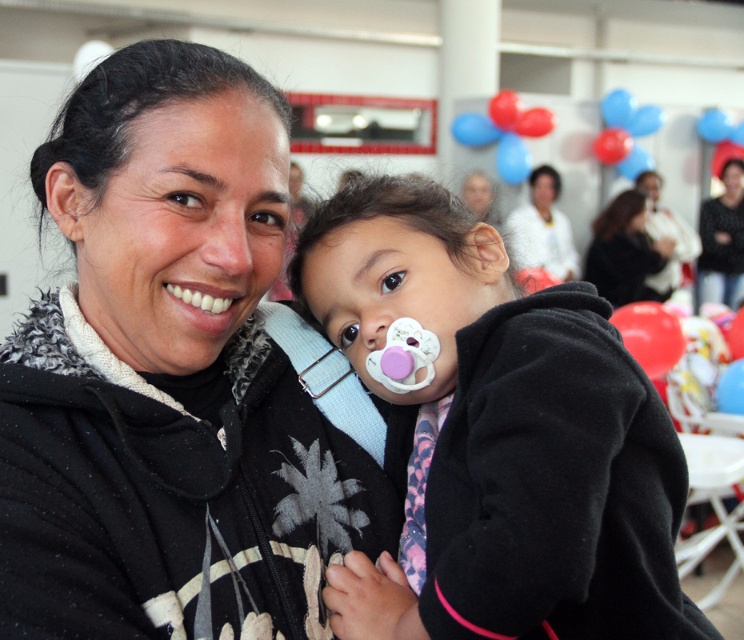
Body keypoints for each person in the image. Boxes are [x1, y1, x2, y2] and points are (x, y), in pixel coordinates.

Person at [0, 40, 413, 640]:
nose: (236, 257)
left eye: (266, 216)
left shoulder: (340, 362)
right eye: (185, 199)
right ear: (71, 202)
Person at [287, 174, 721, 640]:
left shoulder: (548, 353)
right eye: (347, 333)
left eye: (391, 281)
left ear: (483, 255)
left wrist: (406, 628)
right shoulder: (433, 402)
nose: (372, 327)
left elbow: (534, 543)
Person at [583, 188, 676, 307]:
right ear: (631, 212)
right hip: (607, 303)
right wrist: (657, 254)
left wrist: (664, 256)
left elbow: (650, 269)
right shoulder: (608, 239)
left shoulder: (640, 237)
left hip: (629, 301)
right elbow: (629, 270)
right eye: (645, 211)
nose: (648, 217)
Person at [503, 164, 580, 282]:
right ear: (532, 188)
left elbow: (571, 254)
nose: (543, 192)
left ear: (556, 191)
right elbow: (521, 259)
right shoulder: (518, 218)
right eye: (539, 186)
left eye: (549, 187)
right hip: (533, 284)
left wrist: (569, 271)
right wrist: (552, 276)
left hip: (563, 283)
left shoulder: (562, 220)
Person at [635, 170, 702, 302]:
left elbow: (694, 245)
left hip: (673, 284)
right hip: (649, 286)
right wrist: (670, 248)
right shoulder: (638, 219)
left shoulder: (667, 215)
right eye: (645, 188)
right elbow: (654, 251)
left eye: (655, 188)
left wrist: (673, 250)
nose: (650, 193)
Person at [697, 158, 744, 311]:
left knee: (737, 317)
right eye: (727, 176)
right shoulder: (711, 206)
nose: (731, 181)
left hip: (740, 270)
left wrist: (730, 238)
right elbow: (708, 241)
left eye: (736, 176)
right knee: (712, 314)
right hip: (713, 268)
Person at [268, 160, 315, 301]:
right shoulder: (274, 204)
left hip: (298, 257)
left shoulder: (308, 206)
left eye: (297, 179)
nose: (293, 183)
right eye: (290, 179)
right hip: (279, 258)